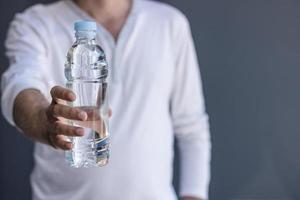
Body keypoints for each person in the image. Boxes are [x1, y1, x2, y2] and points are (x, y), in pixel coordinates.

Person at [1, 0, 211, 199]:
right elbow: (20, 84)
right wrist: (41, 120)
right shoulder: (35, 24)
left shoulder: (169, 24)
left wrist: (194, 194)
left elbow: (191, 126)